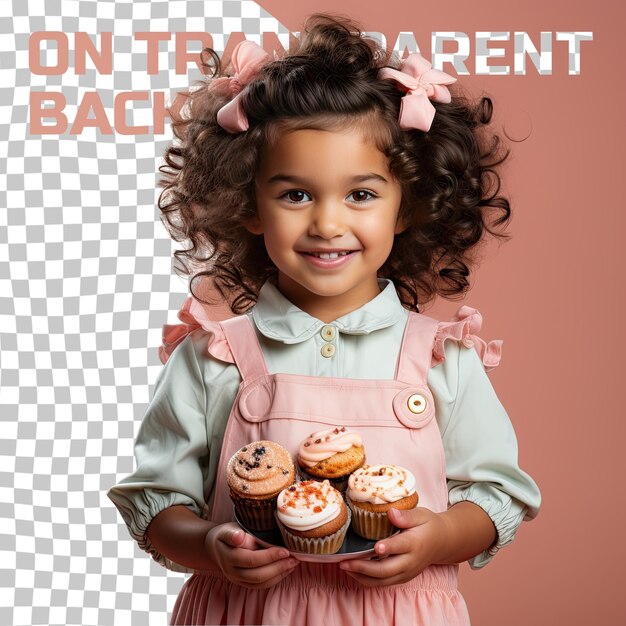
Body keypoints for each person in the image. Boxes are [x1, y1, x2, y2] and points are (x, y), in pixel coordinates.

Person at [108, 13, 541, 626]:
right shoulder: (214, 357)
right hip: (246, 612)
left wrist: (437, 539)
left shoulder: (442, 358)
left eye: (361, 194)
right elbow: (157, 503)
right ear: (249, 204)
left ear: (406, 206)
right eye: (295, 195)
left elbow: (497, 495)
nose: (327, 224)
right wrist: (208, 545)